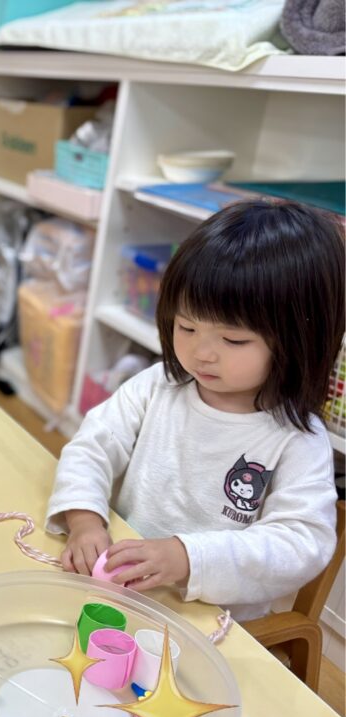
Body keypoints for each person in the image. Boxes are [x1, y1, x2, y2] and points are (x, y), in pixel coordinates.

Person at [46, 200, 344, 621]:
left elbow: (301, 543)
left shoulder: (297, 438)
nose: (201, 354)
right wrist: (85, 520)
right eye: (186, 327)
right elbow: (91, 446)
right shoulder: (158, 386)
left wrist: (188, 557)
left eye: (234, 341)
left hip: (212, 620)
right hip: (121, 590)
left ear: (299, 340)